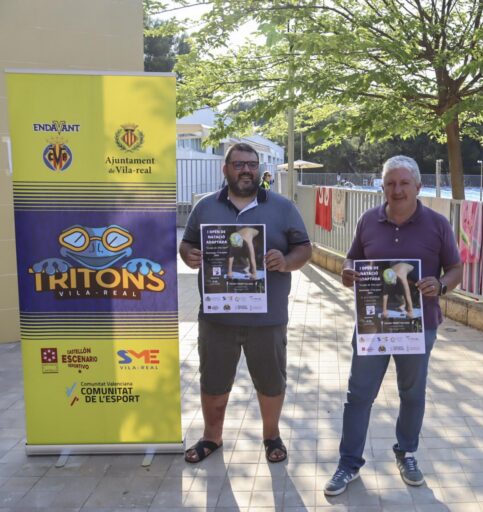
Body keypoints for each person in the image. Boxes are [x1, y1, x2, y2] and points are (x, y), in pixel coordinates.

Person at [324, 155, 462, 496]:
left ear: (418, 186)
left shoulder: (438, 224)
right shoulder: (368, 220)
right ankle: (348, 463)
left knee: (412, 394)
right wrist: (347, 272)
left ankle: (407, 452)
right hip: (373, 324)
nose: (397, 190)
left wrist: (441, 285)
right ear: (382, 186)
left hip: (419, 326)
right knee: (359, 395)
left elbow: (456, 269)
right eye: (390, 183)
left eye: (403, 183)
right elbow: (353, 258)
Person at [179, 142, 312, 464]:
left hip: (267, 317)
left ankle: (271, 436)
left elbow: (304, 249)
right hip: (217, 315)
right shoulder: (205, 207)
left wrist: (286, 260)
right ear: (225, 169)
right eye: (238, 164)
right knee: (213, 380)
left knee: (270, 381)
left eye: (251, 164)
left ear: (259, 168)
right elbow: (187, 244)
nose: (246, 170)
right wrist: (189, 255)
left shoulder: (282, 207)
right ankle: (212, 437)